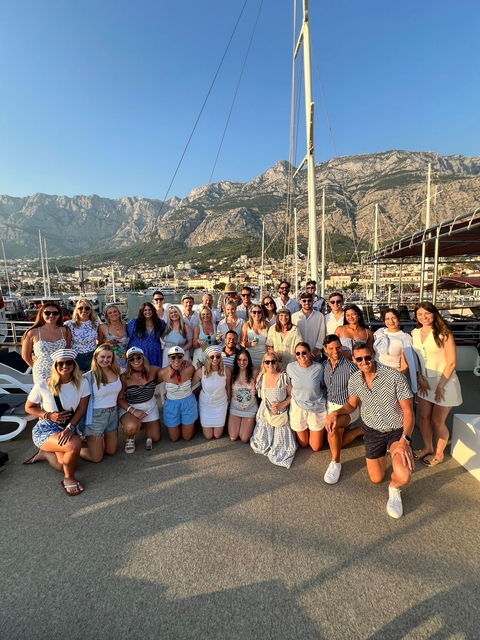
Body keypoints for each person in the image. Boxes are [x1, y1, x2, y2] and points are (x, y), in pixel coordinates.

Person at [324, 343, 415, 518]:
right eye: (359, 359)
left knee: (403, 476)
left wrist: (405, 440)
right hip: (372, 431)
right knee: (376, 478)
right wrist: (334, 413)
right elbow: (351, 405)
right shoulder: (356, 379)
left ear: (373, 355)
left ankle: (394, 488)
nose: (364, 361)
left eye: (367, 357)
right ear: (354, 360)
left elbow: (408, 411)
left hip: (396, 430)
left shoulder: (394, 377)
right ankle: (338, 459)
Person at [24, 348, 90, 496]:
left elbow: (81, 408)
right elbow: (28, 407)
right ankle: (68, 478)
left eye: (68, 363)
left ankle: (45, 454)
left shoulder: (82, 382)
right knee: (74, 445)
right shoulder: (43, 385)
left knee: (63, 465)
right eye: (60, 364)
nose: (64, 366)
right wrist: (48, 415)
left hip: (68, 426)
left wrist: (70, 428)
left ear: (74, 365)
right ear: (54, 366)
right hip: (46, 429)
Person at [412, 301, 462, 466]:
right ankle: (428, 447)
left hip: (444, 382)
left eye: (427, 313)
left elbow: (452, 363)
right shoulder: (414, 333)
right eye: (420, 314)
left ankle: (439, 454)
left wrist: (440, 386)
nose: (424, 317)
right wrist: (419, 377)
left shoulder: (444, 333)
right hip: (424, 382)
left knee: (437, 421)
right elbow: (417, 359)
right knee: (424, 418)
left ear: (434, 314)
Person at [322, 335, 363, 484]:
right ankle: (360, 430)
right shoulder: (324, 366)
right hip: (330, 405)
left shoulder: (351, 367)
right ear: (325, 349)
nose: (335, 351)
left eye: (338, 347)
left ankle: (335, 463)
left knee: (333, 429)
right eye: (331, 348)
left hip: (347, 408)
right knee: (334, 442)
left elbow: (356, 395)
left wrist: (336, 413)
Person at [250, 350, 297, 468]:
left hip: (281, 411)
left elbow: (292, 395)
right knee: (261, 443)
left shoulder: (284, 377)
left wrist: (283, 404)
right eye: (267, 362)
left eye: (273, 361)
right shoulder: (261, 377)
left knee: (282, 447)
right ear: (264, 364)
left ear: (277, 363)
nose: (270, 364)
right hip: (265, 411)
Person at [81, 344, 121, 462]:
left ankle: (97, 442)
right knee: (97, 458)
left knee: (111, 451)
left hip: (113, 414)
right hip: (95, 417)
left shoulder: (117, 371)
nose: (105, 360)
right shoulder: (88, 377)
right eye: (102, 357)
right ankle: (74, 449)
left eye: (109, 357)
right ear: (96, 357)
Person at [118, 347, 161, 453]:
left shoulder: (154, 370)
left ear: (143, 358)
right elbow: (119, 399)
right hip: (131, 407)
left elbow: (169, 373)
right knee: (131, 427)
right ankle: (131, 436)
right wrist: (133, 411)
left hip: (150, 405)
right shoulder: (124, 377)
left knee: (155, 438)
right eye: (131, 359)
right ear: (128, 362)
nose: (135, 360)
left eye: (138, 357)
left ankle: (143, 424)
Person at [287, 342, 326, 451]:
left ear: (309, 353)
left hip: (315, 406)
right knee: (303, 444)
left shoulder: (319, 368)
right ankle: (307, 430)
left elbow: (323, 385)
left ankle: (315, 431)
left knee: (316, 447)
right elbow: (288, 385)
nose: (301, 356)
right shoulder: (290, 367)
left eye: (304, 352)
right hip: (298, 407)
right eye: (298, 353)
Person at [22, 301, 72, 383]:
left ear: (59, 315)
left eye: (55, 313)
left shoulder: (65, 330)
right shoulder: (32, 332)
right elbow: (25, 355)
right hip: (41, 371)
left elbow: (66, 351)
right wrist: (36, 367)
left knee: (63, 394)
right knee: (45, 395)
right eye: (47, 313)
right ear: (42, 314)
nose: (51, 315)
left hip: (62, 370)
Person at [157, 346, 199, 442]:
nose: (176, 360)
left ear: (183, 357)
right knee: (174, 438)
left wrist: (188, 363)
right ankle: (185, 423)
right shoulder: (163, 372)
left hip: (188, 402)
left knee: (186, 437)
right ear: (169, 358)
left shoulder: (190, 369)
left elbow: (199, 377)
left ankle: (192, 422)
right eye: (173, 357)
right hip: (172, 404)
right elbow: (153, 383)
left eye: (179, 357)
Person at [373, 308, 417, 392]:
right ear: (384, 321)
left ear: (398, 319)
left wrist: (397, 380)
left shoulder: (405, 338)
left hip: (394, 376)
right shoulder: (379, 333)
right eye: (387, 319)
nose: (391, 321)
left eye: (393, 318)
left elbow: (407, 363)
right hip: (377, 373)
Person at [198, 345, 231, 440]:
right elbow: (190, 385)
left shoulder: (226, 370)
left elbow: (228, 387)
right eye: (212, 357)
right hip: (206, 404)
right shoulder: (201, 371)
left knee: (217, 435)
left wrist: (228, 402)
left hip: (220, 403)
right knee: (208, 436)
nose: (215, 359)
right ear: (208, 358)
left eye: (218, 356)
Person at [228, 348, 259, 443]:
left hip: (250, 410)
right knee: (233, 437)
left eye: (245, 360)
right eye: (239, 360)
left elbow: (269, 373)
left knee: (244, 438)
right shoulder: (232, 372)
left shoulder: (255, 372)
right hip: (235, 409)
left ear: (249, 360)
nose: (242, 362)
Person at [65, 299, 101, 372]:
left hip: (92, 355)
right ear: (76, 310)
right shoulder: (69, 324)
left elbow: (101, 339)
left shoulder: (96, 323)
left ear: (91, 310)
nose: (84, 310)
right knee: (78, 381)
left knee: (92, 380)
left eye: (87, 308)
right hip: (77, 357)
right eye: (80, 308)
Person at [127, 302, 166, 367]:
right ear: (141, 312)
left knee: (153, 372)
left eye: (150, 310)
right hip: (138, 352)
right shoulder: (134, 322)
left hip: (154, 352)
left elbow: (165, 333)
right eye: (145, 310)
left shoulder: (160, 323)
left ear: (153, 311)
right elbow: (127, 335)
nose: (147, 312)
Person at [292, 292, 325, 361]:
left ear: (313, 301)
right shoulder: (294, 316)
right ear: (300, 302)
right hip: (299, 354)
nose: (307, 302)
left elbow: (321, 336)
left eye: (309, 300)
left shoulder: (320, 316)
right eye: (304, 300)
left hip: (315, 354)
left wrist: (313, 354)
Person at [98, 304, 129, 371]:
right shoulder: (103, 327)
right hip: (110, 360)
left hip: (126, 359)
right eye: (110, 313)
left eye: (115, 311)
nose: (113, 314)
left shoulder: (125, 324)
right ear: (107, 316)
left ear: (119, 313)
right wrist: (107, 343)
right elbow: (99, 345)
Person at [240, 304, 269, 368]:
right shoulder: (246, 325)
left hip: (264, 357)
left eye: (259, 312)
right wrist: (250, 344)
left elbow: (270, 343)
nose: (257, 314)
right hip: (251, 356)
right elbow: (242, 343)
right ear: (250, 314)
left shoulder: (267, 325)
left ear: (262, 313)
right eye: (254, 312)